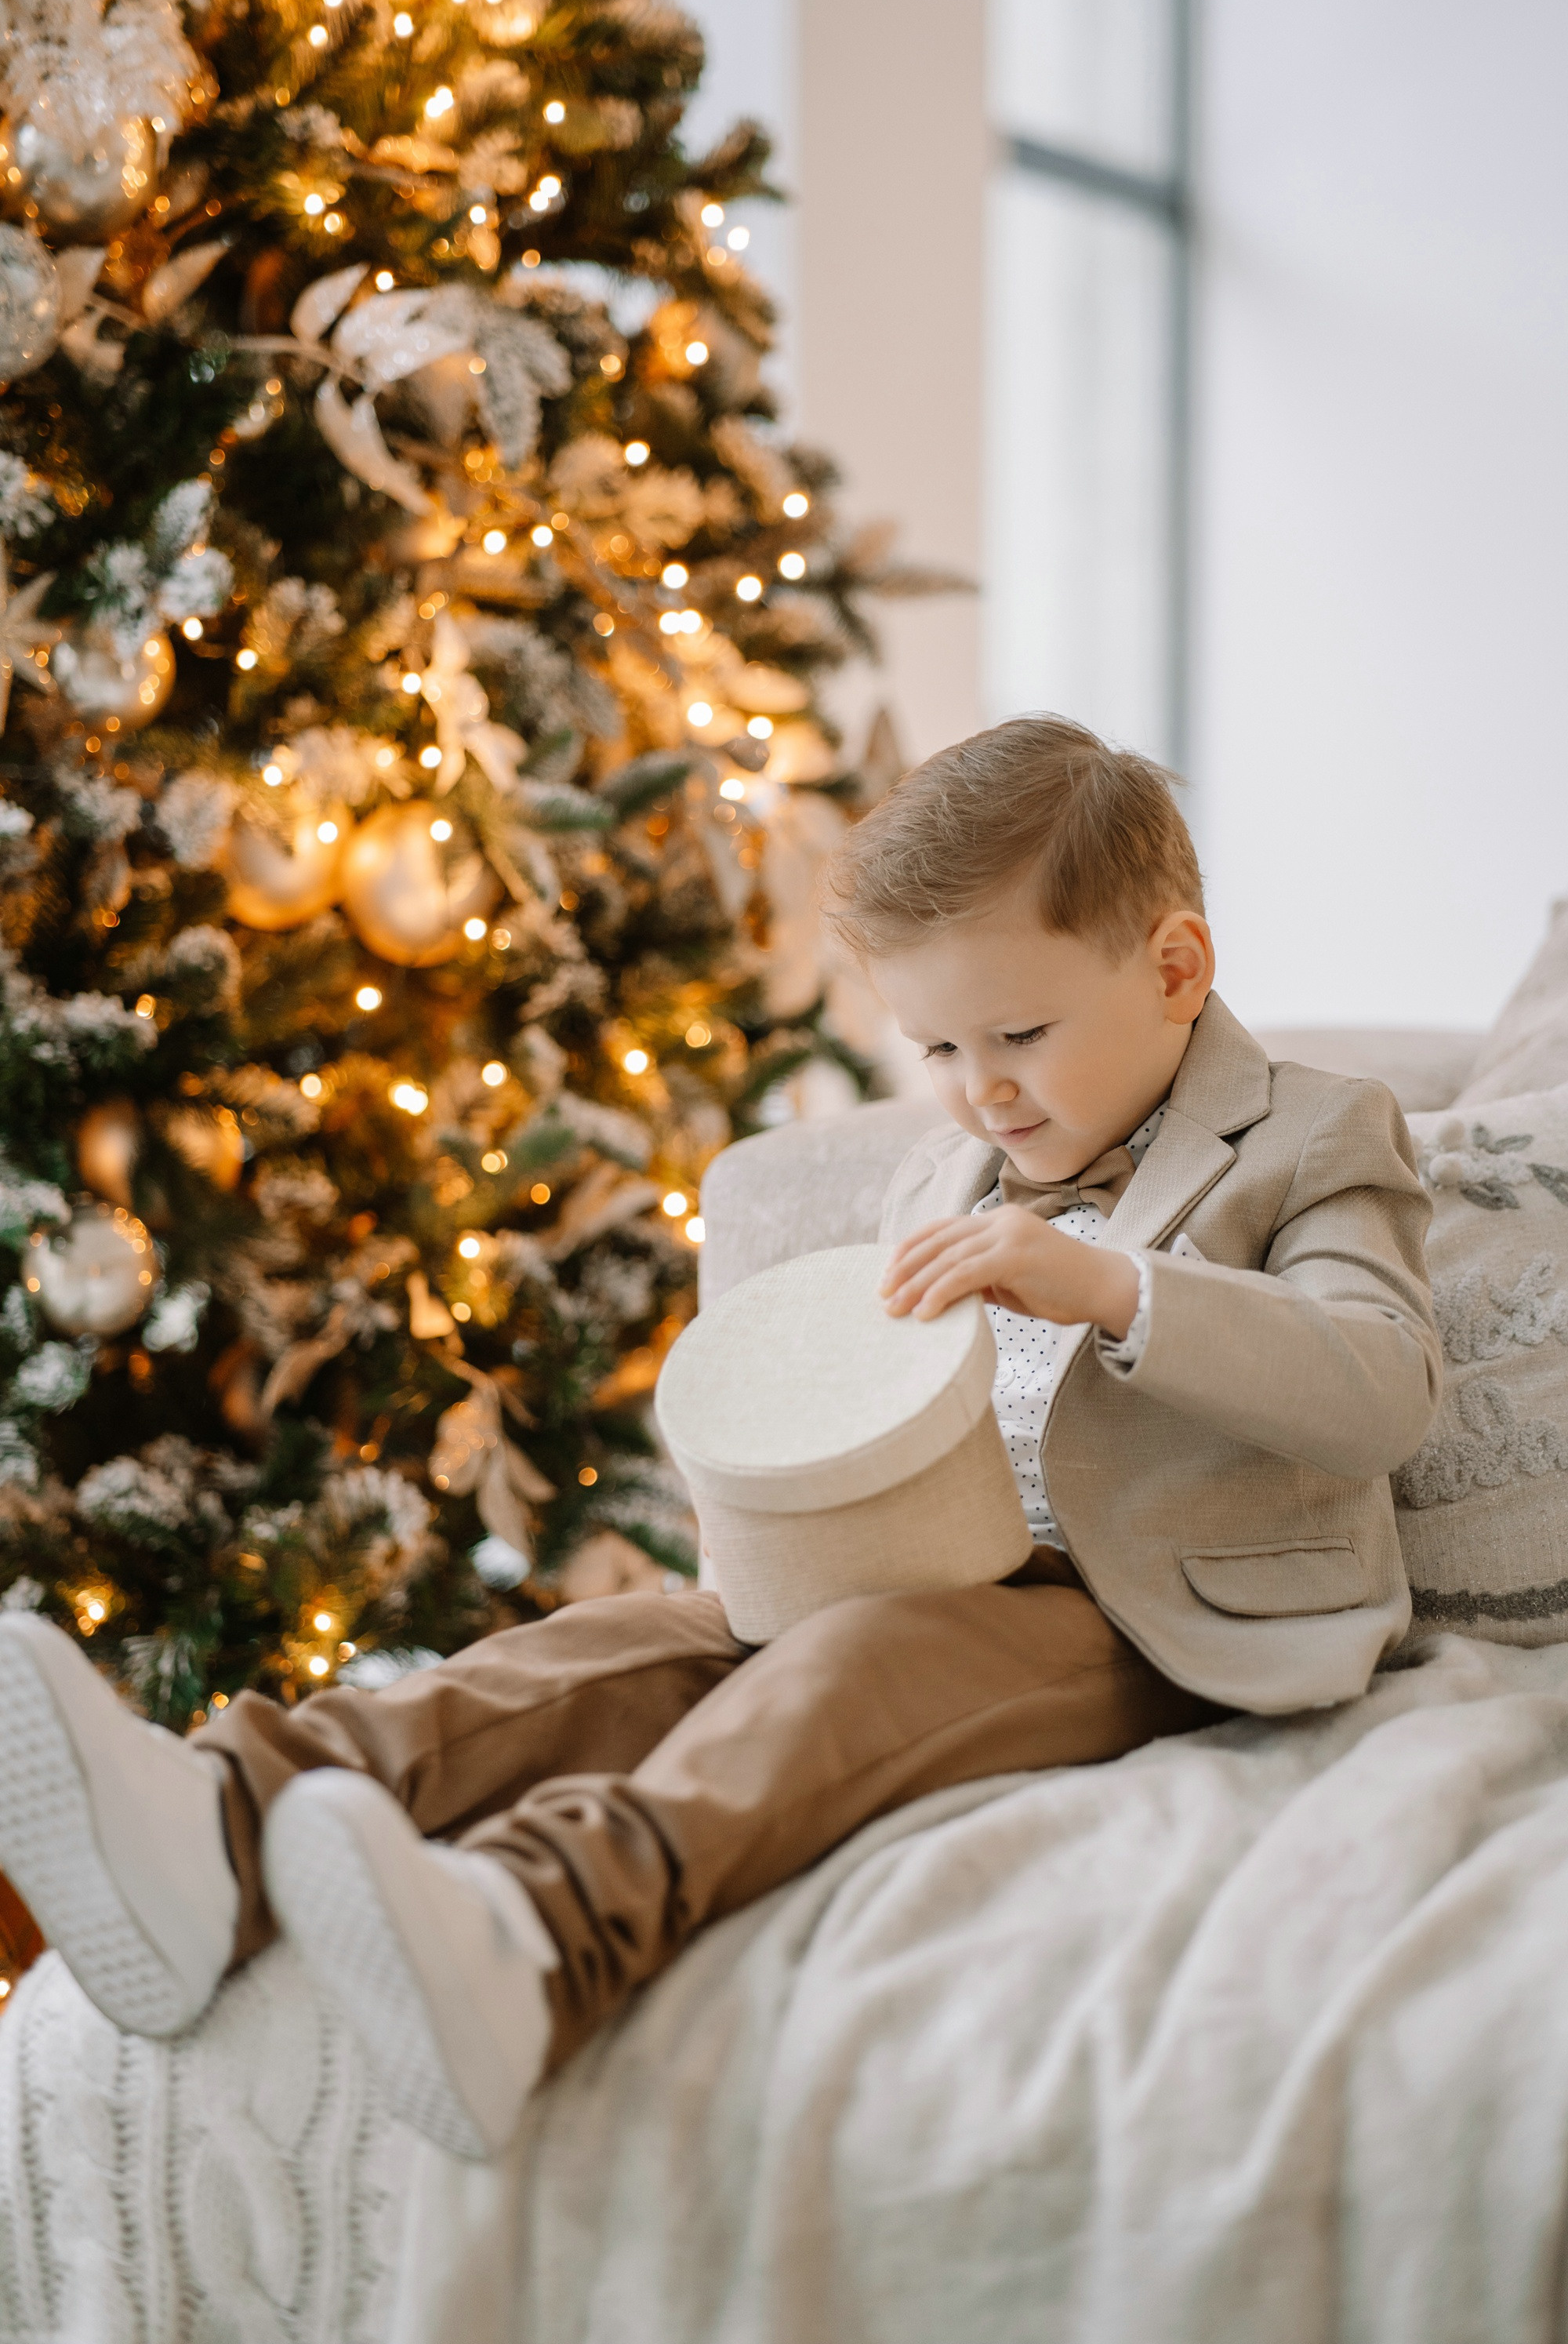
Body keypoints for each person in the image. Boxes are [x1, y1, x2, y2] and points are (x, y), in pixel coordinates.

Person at [0, 715, 1442, 2161]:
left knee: (856, 1670)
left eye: (1019, 1037)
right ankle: (222, 1823)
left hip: (1160, 1615)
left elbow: (1381, 1384)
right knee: (618, 1643)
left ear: (1176, 969)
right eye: (935, 1046)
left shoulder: (1319, 1136)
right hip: (928, 1557)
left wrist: (1115, 1285)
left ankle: (543, 1939)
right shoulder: (947, 1169)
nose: (978, 1090)